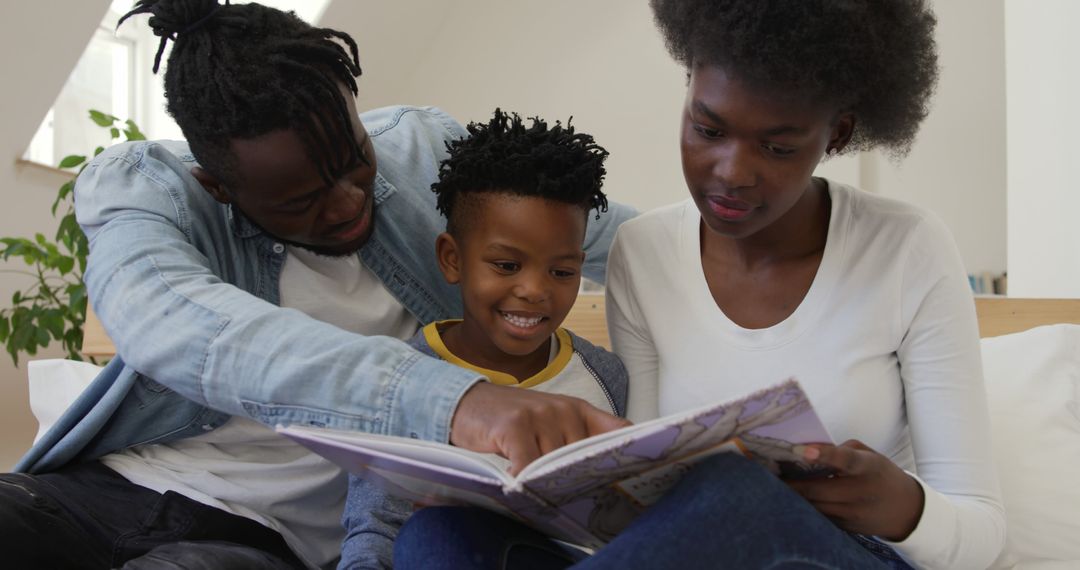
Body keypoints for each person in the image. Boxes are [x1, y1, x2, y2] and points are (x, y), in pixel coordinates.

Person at [0, 1, 634, 568]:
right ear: (217, 186)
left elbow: (623, 238)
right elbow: (173, 324)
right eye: (302, 197)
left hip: (266, 542)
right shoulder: (149, 188)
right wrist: (456, 401)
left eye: (354, 159)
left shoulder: (426, 154)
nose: (346, 203)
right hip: (101, 494)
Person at [601, 0, 1006, 568]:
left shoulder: (906, 248)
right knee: (449, 532)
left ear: (836, 135)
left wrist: (902, 508)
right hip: (695, 550)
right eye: (708, 128)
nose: (731, 172)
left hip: (854, 553)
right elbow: (643, 489)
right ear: (689, 87)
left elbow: (983, 533)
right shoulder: (641, 253)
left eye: (777, 147)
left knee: (737, 488)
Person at [340, 108, 629, 570]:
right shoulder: (401, 379)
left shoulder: (605, 376)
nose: (535, 290)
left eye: (562, 271)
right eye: (507, 266)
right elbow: (374, 527)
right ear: (452, 259)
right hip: (461, 556)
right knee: (431, 536)